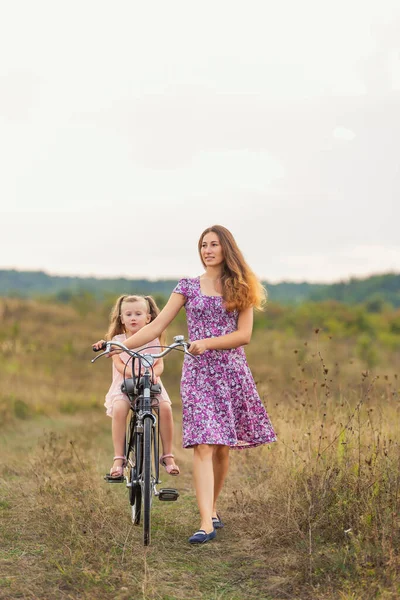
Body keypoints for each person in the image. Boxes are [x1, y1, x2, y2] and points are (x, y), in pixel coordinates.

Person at [94, 225, 276, 544]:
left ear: (226, 249)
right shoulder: (187, 286)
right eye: (203, 245)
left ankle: (214, 507)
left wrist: (207, 342)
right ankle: (205, 522)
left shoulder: (241, 287)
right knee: (203, 444)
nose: (207, 250)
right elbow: (157, 326)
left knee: (222, 447)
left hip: (231, 372)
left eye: (214, 244)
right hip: (198, 375)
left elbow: (244, 335)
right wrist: (117, 344)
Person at [102, 294, 179, 479]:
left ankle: (168, 455)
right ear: (121, 319)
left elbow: (159, 364)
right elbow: (119, 366)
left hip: (151, 384)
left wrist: (153, 373)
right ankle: (118, 459)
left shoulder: (153, 339)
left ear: (148, 318)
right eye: (128, 314)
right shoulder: (117, 340)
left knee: (165, 408)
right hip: (125, 385)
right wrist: (134, 373)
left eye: (138, 313)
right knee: (120, 409)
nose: (133, 317)